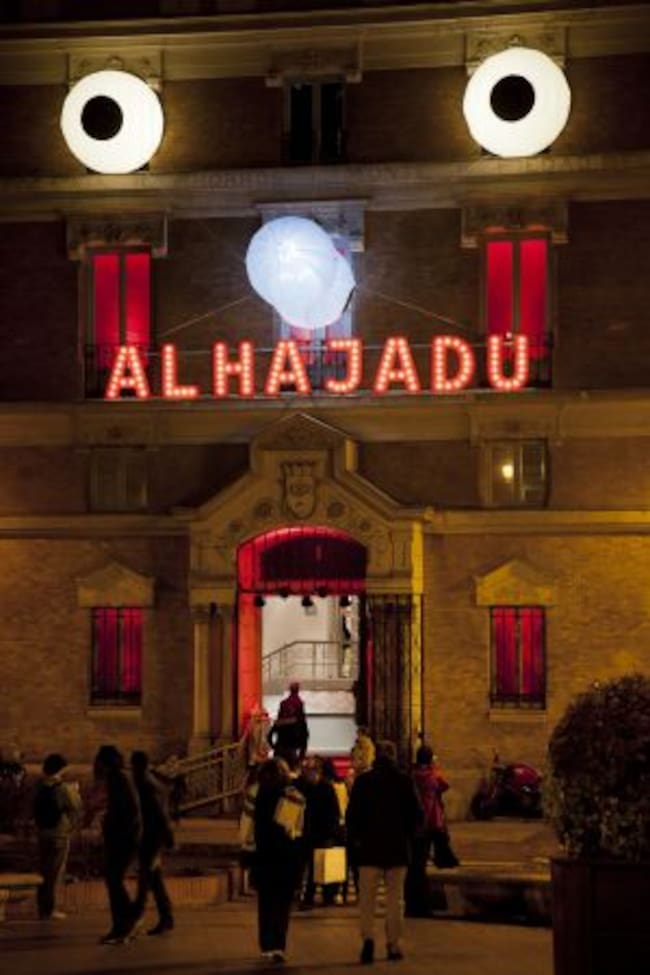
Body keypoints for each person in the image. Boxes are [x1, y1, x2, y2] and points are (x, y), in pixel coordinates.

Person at [346, 740, 421, 965]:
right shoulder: (404, 781)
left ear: (376, 755)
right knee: (395, 899)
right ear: (394, 756)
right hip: (397, 848)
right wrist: (407, 835)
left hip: (369, 849)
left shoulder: (363, 782)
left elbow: (352, 816)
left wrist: (357, 840)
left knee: (367, 900)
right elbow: (416, 815)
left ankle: (368, 940)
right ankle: (393, 944)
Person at [244, 756, 306, 964]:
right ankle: (279, 945)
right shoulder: (294, 795)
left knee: (266, 902)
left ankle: (266, 945)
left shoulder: (254, 792)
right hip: (286, 857)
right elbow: (293, 829)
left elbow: (247, 825)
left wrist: (247, 848)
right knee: (283, 904)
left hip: (263, 855)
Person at [93, 744, 142, 944]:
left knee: (113, 880)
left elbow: (128, 810)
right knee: (114, 880)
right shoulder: (122, 777)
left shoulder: (117, 778)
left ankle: (124, 925)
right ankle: (127, 921)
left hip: (122, 839)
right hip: (125, 838)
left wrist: (110, 824)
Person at [405, 744, 460, 917]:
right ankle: (421, 903)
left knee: (415, 863)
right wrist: (433, 767)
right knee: (420, 865)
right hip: (429, 823)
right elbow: (445, 785)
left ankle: (411, 901)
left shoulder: (412, 776)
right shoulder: (431, 776)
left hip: (415, 824)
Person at [130, 751, 175, 936]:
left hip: (151, 837)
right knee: (154, 879)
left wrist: (167, 836)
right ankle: (166, 917)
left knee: (145, 878)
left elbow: (158, 813)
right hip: (151, 837)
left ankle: (135, 917)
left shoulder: (145, 784)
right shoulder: (151, 781)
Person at [33, 752, 81, 920]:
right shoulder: (62, 788)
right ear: (61, 768)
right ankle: (51, 909)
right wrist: (75, 790)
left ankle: (42, 907)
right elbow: (76, 805)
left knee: (44, 871)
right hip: (59, 834)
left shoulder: (39, 785)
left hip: (42, 833)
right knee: (55, 873)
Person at [296, 754, 342, 908]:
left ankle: (323, 896)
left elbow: (334, 812)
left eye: (311, 770)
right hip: (306, 832)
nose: (308, 773)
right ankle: (308, 896)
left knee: (320, 865)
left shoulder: (326, 788)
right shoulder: (302, 787)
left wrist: (331, 831)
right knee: (308, 866)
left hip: (322, 832)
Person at [268, 682, 309, 766]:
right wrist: (301, 756)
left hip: (279, 750)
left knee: (277, 770)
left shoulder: (283, 705)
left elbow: (269, 736)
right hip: (292, 751)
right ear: (298, 690)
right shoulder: (299, 705)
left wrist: (274, 746)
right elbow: (305, 735)